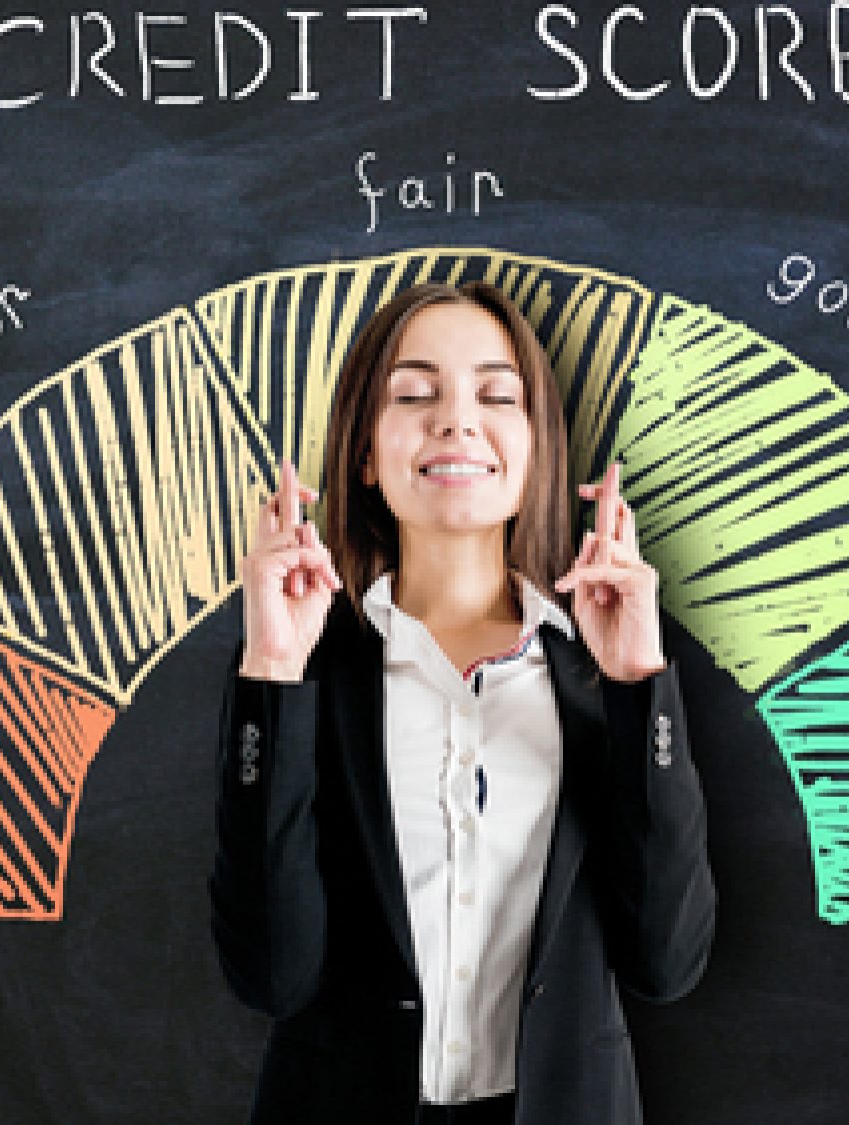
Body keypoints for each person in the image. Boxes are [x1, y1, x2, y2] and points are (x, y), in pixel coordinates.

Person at [210, 281, 715, 1125]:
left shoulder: (603, 673)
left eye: (495, 393)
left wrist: (639, 683)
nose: (456, 419)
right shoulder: (302, 671)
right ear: (367, 453)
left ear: (535, 449)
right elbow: (270, 975)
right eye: (414, 393)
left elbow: (667, 962)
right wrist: (272, 669)